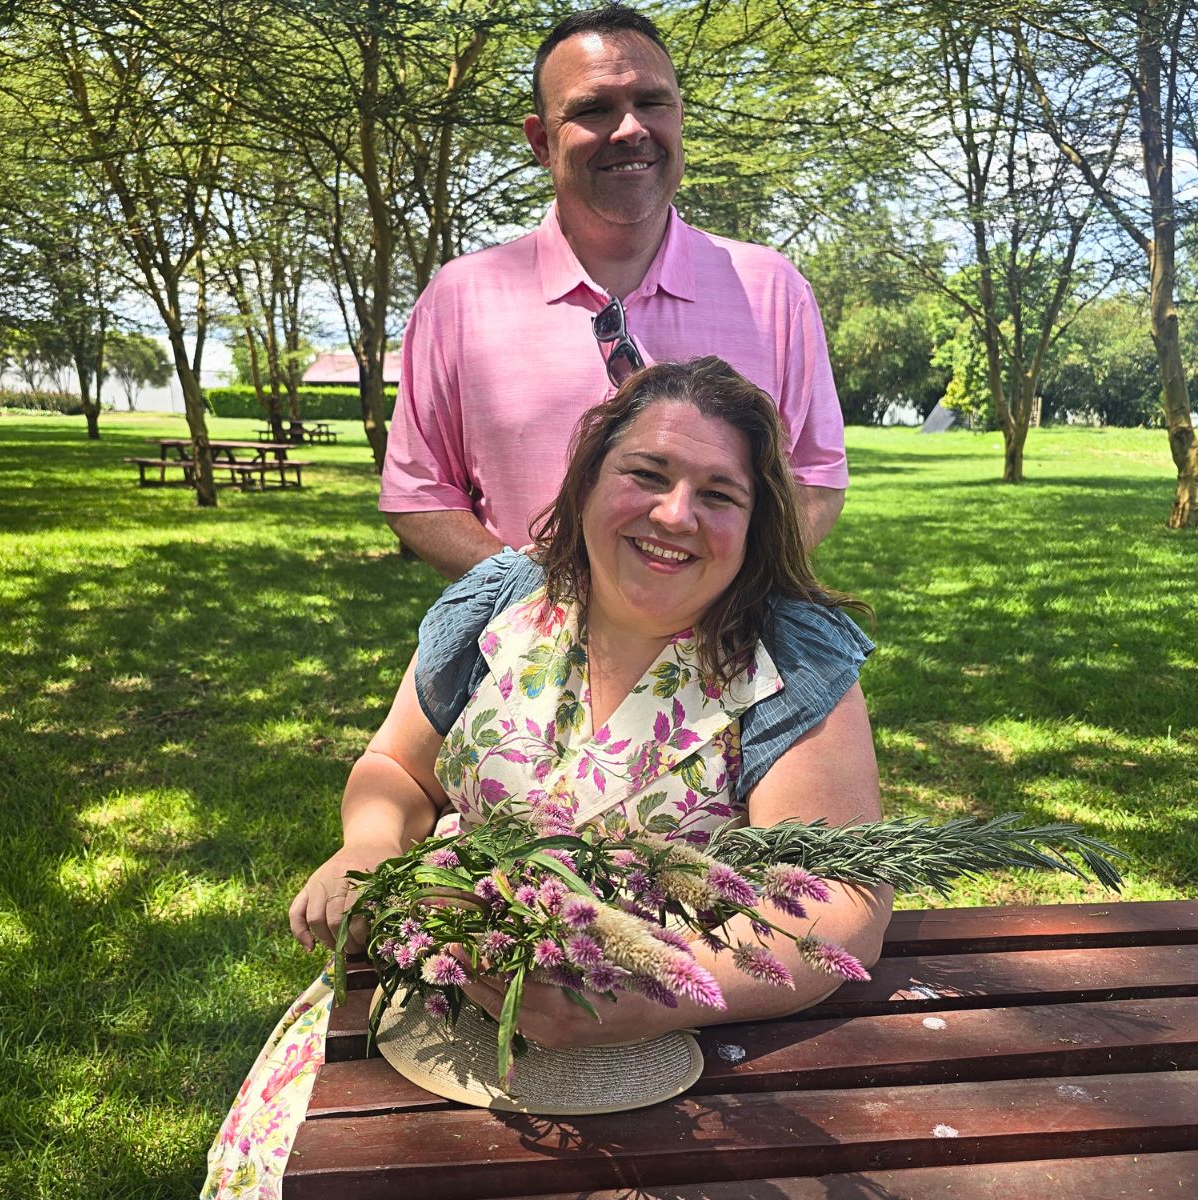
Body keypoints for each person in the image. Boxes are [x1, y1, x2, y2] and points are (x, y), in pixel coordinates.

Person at [203, 358, 890, 1198]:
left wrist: (647, 990)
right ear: (589, 480)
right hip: (424, 1019)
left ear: (755, 523)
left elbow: (839, 909)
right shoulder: (498, 605)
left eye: (719, 493)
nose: (675, 514)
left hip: (670, 1074)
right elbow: (395, 768)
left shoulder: (787, 658)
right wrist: (367, 849)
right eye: (647, 473)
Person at [379, 5, 848, 580]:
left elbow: (816, 476)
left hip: (724, 655)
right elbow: (418, 494)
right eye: (594, 109)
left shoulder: (773, 291)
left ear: (679, 117)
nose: (630, 129)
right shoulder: (459, 300)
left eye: (653, 103)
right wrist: (537, 598)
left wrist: (718, 587)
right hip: (521, 657)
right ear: (542, 142)